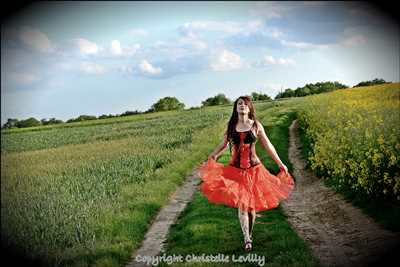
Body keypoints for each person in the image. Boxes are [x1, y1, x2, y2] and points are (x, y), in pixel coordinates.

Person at [198, 96, 295, 252]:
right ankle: (247, 239)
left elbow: (268, 146)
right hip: (235, 171)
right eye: (239, 104)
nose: (241, 106)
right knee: (243, 205)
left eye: (244, 104)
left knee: (251, 207)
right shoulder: (231, 126)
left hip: (254, 170)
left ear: (249, 108)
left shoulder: (256, 125)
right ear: (236, 108)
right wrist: (212, 157)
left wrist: (280, 163)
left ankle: (249, 233)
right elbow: (223, 145)